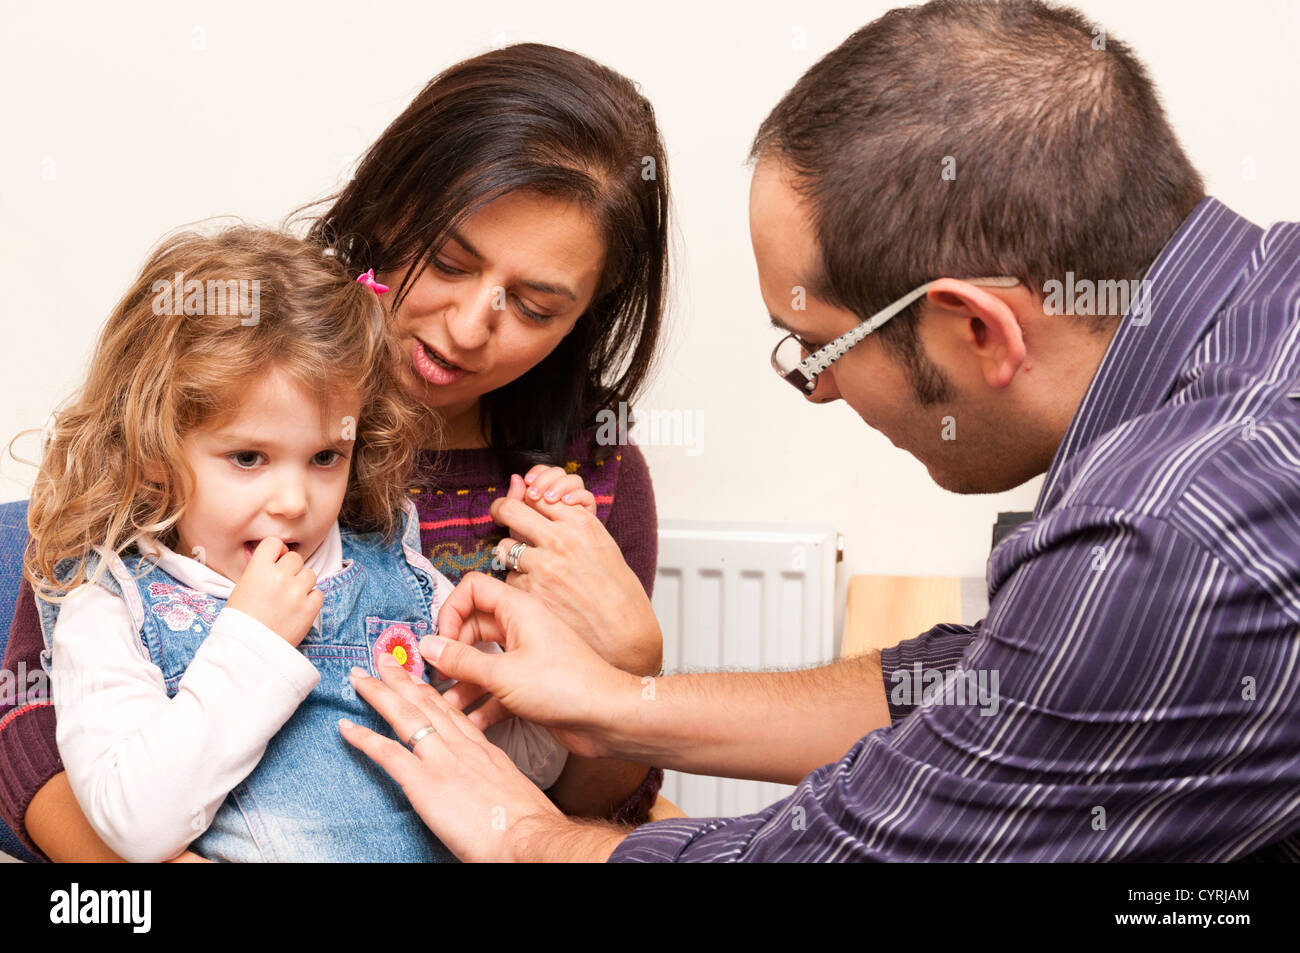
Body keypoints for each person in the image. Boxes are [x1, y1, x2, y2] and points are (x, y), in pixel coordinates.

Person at [341, 0, 1300, 861]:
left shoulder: (1173, 532)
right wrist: (616, 701)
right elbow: (987, 680)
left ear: (978, 330)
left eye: (814, 350)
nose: (820, 391)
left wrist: (522, 831)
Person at [0, 43, 668, 860]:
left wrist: (612, 669)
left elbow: (559, 794)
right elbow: (39, 740)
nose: (468, 327)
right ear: (391, 210)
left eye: (534, 305)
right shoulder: (239, 341)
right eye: (450, 261)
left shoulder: (572, 486)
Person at [28, 226, 589, 862]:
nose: (294, 501)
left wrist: (520, 658)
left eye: (325, 456)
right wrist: (253, 645)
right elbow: (135, 827)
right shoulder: (113, 608)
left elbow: (527, 775)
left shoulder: (399, 576)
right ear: (156, 451)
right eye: (248, 457)